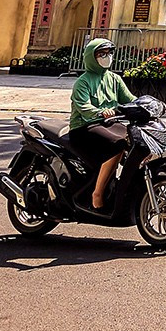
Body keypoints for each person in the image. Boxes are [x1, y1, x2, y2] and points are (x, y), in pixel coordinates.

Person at [68, 37, 136, 213]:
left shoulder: (114, 79)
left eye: (109, 53)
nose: (107, 57)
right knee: (118, 144)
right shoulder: (83, 82)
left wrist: (145, 106)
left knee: (136, 140)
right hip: (85, 127)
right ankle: (97, 194)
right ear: (91, 57)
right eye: (101, 54)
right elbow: (84, 108)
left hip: (109, 124)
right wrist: (101, 112)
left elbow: (129, 100)